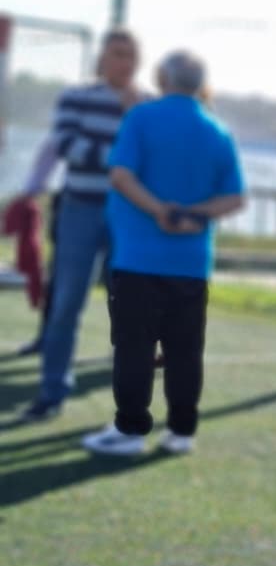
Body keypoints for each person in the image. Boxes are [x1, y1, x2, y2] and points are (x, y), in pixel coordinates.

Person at [80, 51, 247, 456]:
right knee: (185, 351)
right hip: (191, 264)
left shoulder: (141, 118)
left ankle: (130, 431)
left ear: (161, 77)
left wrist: (162, 211)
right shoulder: (217, 130)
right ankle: (181, 431)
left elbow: (121, 176)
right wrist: (192, 214)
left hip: (138, 258)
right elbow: (234, 198)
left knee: (134, 347)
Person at [15, 30, 144, 418]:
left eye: (131, 56)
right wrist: (123, 159)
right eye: (118, 54)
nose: (125, 62)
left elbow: (155, 158)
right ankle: (52, 393)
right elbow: (68, 146)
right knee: (67, 302)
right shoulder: (77, 97)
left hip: (129, 216)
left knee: (133, 303)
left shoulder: (147, 106)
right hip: (81, 210)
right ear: (103, 58)